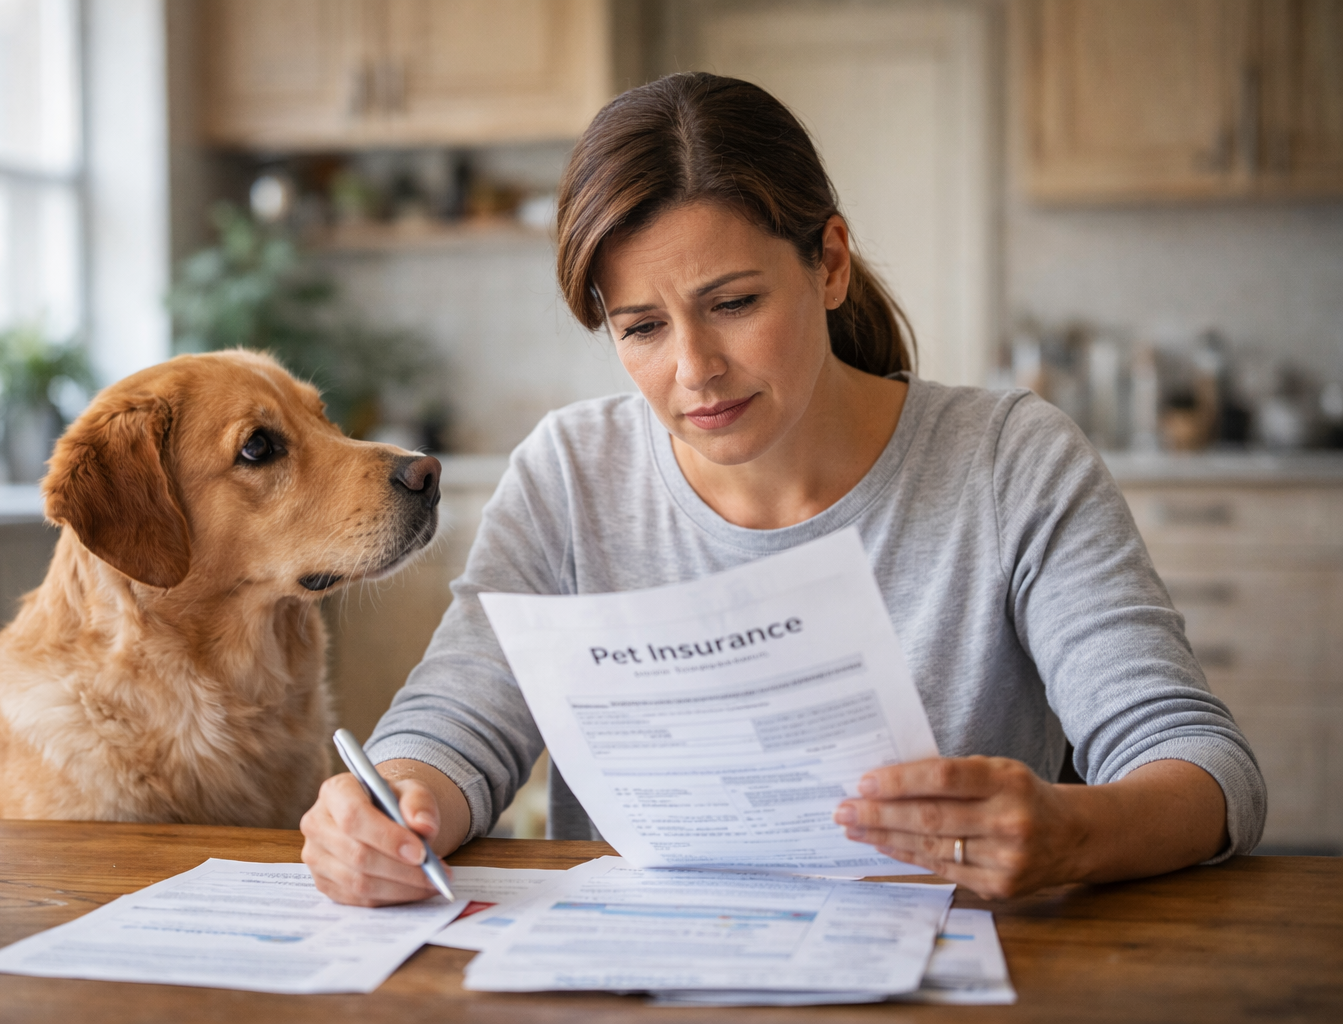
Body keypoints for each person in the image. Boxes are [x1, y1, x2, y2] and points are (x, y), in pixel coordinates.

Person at [300, 73, 1265, 906]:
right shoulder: (568, 475)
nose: (695, 369)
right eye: (640, 327)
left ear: (830, 263)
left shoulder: (1010, 462)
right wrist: (395, 807)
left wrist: (1073, 832)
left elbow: (1201, 765)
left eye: (734, 304)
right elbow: (457, 724)